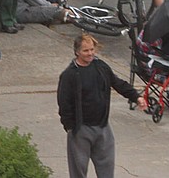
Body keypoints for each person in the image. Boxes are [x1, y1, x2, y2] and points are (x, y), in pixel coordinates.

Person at [57, 32, 146, 178]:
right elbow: (64, 103)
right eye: (86, 50)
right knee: (78, 171)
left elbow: (117, 83)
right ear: (77, 52)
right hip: (81, 129)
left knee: (106, 170)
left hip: (103, 127)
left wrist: (136, 97)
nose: (90, 53)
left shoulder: (101, 67)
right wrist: (70, 127)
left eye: (92, 49)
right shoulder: (69, 75)